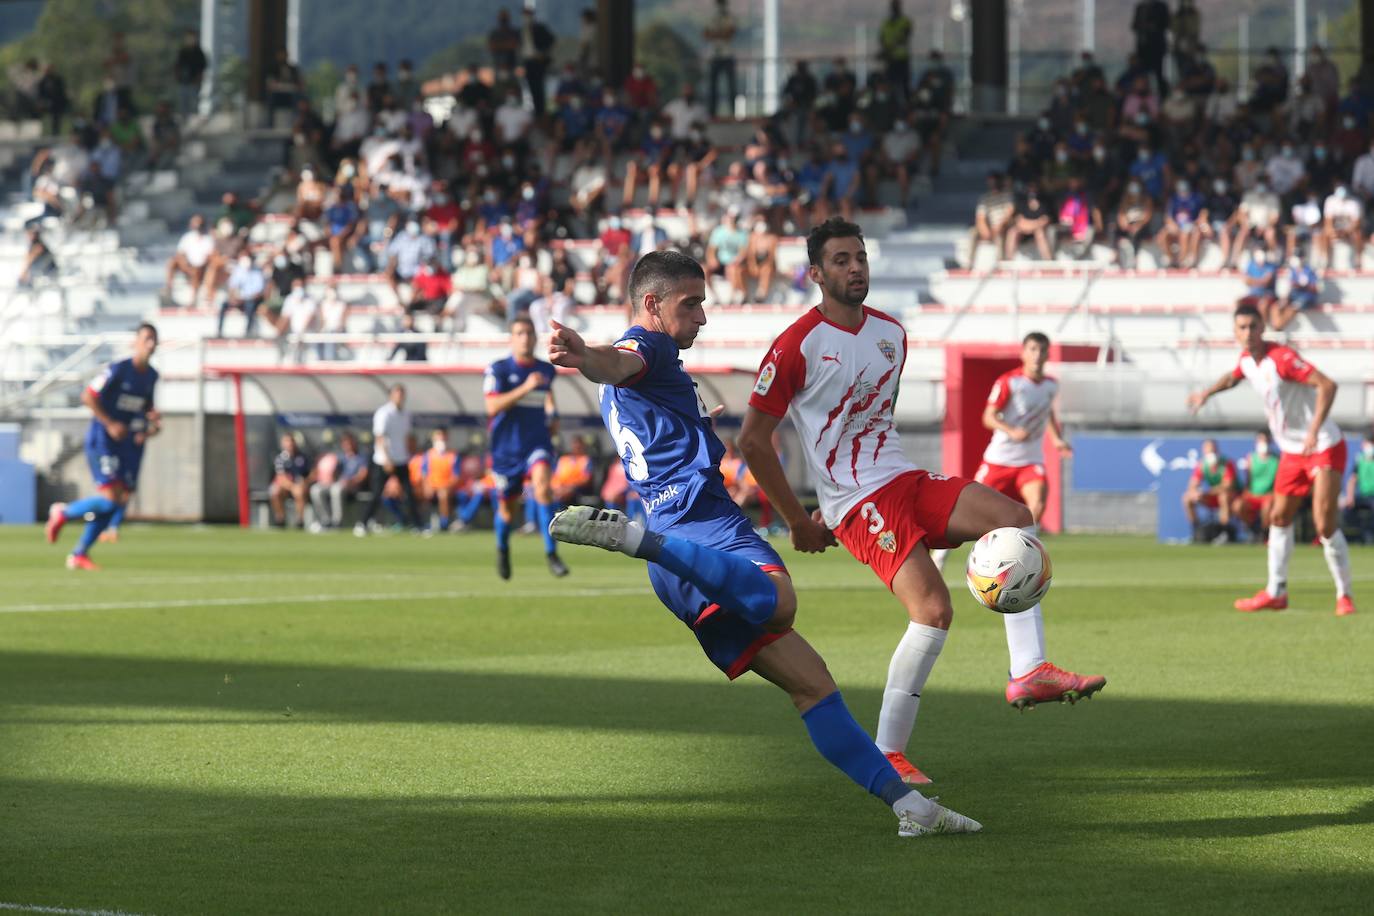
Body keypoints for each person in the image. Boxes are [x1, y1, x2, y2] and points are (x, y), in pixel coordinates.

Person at [546, 250, 981, 838]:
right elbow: (616, 362)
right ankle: (632, 539)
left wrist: (697, 425)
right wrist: (585, 358)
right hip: (701, 531)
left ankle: (913, 809)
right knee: (780, 602)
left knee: (813, 684)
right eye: (690, 304)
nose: (702, 317)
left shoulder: (657, 371)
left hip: (679, 558)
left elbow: (626, 384)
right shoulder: (648, 348)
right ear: (651, 305)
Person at [737, 218, 1106, 787]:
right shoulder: (796, 345)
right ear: (815, 273)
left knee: (1015, 520)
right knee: (933, 611)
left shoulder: (892, 334)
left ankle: (1029, 669)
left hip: (904, 478)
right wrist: (800, 518)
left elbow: (867, 423)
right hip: (860, 502)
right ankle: (889, 753)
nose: (855, 267)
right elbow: (753, 442)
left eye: (859, 257)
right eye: (840, 260)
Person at [1187, 305, 1356, 617]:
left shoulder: (1281, 359)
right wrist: (1206, 394)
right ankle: (1276, 591)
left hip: (1323, 446)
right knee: (1278, 517)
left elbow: (1328, 385)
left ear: (1263, 327)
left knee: (1324, 524)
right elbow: (1232, 377)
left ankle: (1344, 595)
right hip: (1292, 451)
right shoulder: (1247, 361)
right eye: (1242, 327)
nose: (1248, 333)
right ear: (1235, 332)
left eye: (1253, 326)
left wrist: (1314, 430)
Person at [45, 324, 160, 570]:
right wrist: (109, 423)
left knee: (116, 503)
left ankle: (78, 554)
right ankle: (63, 513)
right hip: (103, 441)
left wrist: (151, 420)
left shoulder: (151, 376)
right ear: (136, 342)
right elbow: (88, 395)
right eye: (147, 338)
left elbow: (145, 406)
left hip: (125, 444)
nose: (151, 344)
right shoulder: (118, 370)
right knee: (109, 501)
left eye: (154, 339)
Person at [484, 317, 569, 579]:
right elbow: (492, 407)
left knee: (543, 488)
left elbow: (547, 396)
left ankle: (552, 553)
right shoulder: (497, 370)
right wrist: (525, 388)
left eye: (529, 333)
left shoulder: (546, 370)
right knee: (507, 510)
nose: (525, 338)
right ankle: (502, 548)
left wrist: (552, 416)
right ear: (511, 338)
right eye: (520, 333)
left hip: (536, 443)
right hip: (506, 451)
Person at [355, 385, 421, 535]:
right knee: (377, 493)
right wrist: (386, 459)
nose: (400, 397)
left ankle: (417, 525)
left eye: (402, 394)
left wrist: (409, 454)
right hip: (383, 460)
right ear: (391, 395)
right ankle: (363, 524)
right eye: (397, 394)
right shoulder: (384, 413)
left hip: (401, 459)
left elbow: (406, 437)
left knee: (409, 493)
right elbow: (380, 437)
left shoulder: (405, 414)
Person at [1183, 439, 1238, 543]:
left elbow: (1228, 486)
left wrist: (1208, 492)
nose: (1211, 453)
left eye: (1213, 450)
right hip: (1210, 497)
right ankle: (1196, 530)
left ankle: (1223, 532)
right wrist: (1196, 492)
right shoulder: (1202, 465)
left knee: (1224, 496)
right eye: (1208, 450)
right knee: (1187, 498)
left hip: (1230, 496)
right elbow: (1193, 484)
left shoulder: (1226, 463)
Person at [311, 432, 369, 529]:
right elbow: (333, 472)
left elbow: (363, 475)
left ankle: (337, 522)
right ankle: (326, 520)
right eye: (345, 444)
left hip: (353, 486)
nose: (348, 446)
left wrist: (351, 481)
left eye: (350, 443)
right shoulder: (340, 457)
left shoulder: (361, 457)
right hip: (338, 483)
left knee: (336, 489)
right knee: (316, 489)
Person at [1234, 431, 1278, 540]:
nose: (1264, 443)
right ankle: (1252, 528)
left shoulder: (1276, 460)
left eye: (1266, 440)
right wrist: (1246, 492)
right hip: (1252, 495)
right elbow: (1248, 481)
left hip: (1269, 495)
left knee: (1267, 507)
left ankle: (1264, 533)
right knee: (1237, 506)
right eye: (1261, 440)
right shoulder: (1251, 458)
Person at [162, 215, 214, 306]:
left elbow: (209, 256)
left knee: (196, 271)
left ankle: (193, 298)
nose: (197, 225)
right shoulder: (187, 237)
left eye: (199, 223)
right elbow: (181, 253)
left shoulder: (208, 239)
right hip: (187, 265)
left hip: (201, 267)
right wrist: (186, 265)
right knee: (172, 262)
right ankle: (169, 288)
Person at [420, 428, 461, 531]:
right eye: (438, 437)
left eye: (443, 438)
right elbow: (424, 474)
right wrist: (427, 486)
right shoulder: (428, 455)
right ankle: (423, 522)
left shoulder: (453, 455)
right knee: (419, 494)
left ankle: (444, 523)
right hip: (431, 485)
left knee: (443, 494)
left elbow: (456, 477)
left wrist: (446, 486)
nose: (441, 440)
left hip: (446, 486)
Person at [269, 433, 314, 528]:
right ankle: (280, 519)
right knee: (275, 492)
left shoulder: (303, 457)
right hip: (286, 486)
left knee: (300, 492)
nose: (290, 444)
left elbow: (311, 473)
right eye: (287, 441)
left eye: (291, 441)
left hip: (301, 485)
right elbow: (280, 477)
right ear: (283, 444)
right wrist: (292, 486)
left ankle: (300, 521)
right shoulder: (280, 458)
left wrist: (304, 482)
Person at [704, 0, 738, 117]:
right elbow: (705, 34)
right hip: (715, 56)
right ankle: (712, 113)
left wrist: (715, 34)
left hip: (727, 56)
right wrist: (720, 34)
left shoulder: (729, 17)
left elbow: (729, 34)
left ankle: (733, 113)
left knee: (731, 88)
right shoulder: (711, 18)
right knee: (713, 87)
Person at [221, 254, 266, 338]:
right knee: (224, 304)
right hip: (239, 299)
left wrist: (246, 298)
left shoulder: (257, 273)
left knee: (250, 305)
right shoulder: (238, 271)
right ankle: (220, 331)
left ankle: (248, 331)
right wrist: (234, 298)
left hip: (251, 300)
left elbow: (259, 292)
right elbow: (232, 287)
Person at [1342, 432, 1374, 544]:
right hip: (1362, 496)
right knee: (1347, 510)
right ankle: (1361, 533)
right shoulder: (1360, 460)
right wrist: (1350, 497)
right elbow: (1352, 480)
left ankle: (1370, 535)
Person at [878, 1, 913, 105]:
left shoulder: (905, 21)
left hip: (902, 59)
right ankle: (891, 106)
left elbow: (904, 37)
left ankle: (906, 106)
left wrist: (888, 48)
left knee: (903, 85)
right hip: (890, 60)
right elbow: (882, 39)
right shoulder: (885, 23)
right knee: (890, 84)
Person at [551, 436, 596, 505]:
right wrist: (557, 487)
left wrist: (570, 486)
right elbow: (556, 476)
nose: (577, 448)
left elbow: (586, 479)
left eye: (579, 446)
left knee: (564, 495)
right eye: (575, 445)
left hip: (577, 489)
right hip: (561, 487)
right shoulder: (563, 459)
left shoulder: (586, 460)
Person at [173, 30, 208, 117]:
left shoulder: (199, 53)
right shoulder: (182, 51)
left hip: (194, 81)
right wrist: (177, 76)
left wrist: (199, 78)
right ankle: (184, 119)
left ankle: (194, 118)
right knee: (183, 102)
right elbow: (177, 65)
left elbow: (202, 67)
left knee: (194, 102)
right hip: (183, 81)